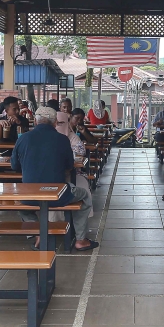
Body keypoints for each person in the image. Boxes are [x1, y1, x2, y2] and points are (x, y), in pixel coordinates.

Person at [11, 107, 98, 251]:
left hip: (29, 195)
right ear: (55, 123)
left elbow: (15, 166)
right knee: (85, 195)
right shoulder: (62, 139)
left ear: (35, 121)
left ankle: (38, 232)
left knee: (22, 206)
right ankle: (81, 240)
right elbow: (69, 166)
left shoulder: (24, 138)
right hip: (57, 195)